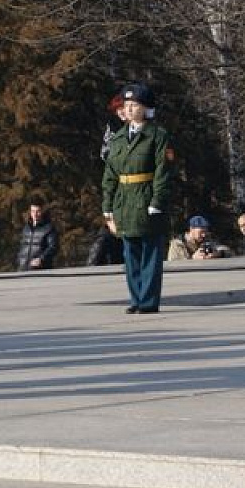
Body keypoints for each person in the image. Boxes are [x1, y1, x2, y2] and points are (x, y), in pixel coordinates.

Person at [101, 82, 174, 314]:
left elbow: (163, 172)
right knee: (130, 255)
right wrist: (107, 207)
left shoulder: (157, 136)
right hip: (124, 201)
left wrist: (157, 202)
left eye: (135, 105)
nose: (130, 109)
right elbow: (110, 174)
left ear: (146, 108)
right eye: (127, 105)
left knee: (150, 255)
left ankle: (148, 301)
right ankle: (136, 298)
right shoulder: (119, 138)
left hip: (146, 198)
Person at [14, 201, 58, 271]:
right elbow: (22, 245)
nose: (35, 214)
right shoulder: (26, 228)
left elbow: (53, 247)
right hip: (22, 267)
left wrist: (41, 259)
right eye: (33, 211)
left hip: (40, 269)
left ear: (42, 212)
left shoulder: (49, 228)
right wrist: (19, 259)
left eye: (38, 211)